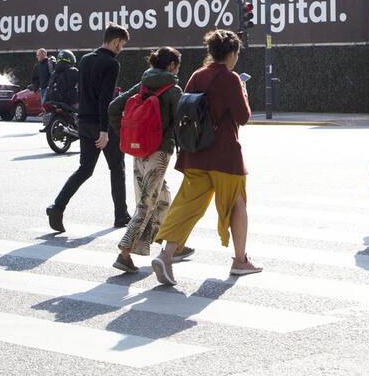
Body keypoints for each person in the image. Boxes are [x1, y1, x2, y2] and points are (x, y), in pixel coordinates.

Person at [152, 29, 259, 284]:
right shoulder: (231, 78)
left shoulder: (196, 75)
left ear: (211, 52)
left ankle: (166, 255)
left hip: (195, 154)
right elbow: (243, 117)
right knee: (236, 203)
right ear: (232, 54)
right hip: (224, 156)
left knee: (187, 205)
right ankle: (240, 260)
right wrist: (242, 89)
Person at [108, 46, 194, 273]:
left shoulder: (143, 84)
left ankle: (175, 245)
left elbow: (114, 108)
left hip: (138, 151)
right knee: (147, 201)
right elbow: (183, 123)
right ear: (172, 65)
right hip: (159, 153)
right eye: (178, 65)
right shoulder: (173, 89)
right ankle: (124, 252)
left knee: (163, 198)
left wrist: (128, 134)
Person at [47, 24, 130, 233]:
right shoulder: (112, 64)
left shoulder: (85, 59)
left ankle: (57, 207)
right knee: (117, 169)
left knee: (85, 169)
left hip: (83, 122)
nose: (122, 48)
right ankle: (121, 216)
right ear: (115, 41)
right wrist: (104, 130)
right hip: (102, 125)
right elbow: (105, 99)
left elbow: (84, 94)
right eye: (122, 44)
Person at [40, 50, 80, 132]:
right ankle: (82, 127)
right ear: (71, 59)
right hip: (69, 101)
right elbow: (83, 82)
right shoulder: (73, 71)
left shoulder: (54, 73)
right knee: (85, 110)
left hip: (54, 100)